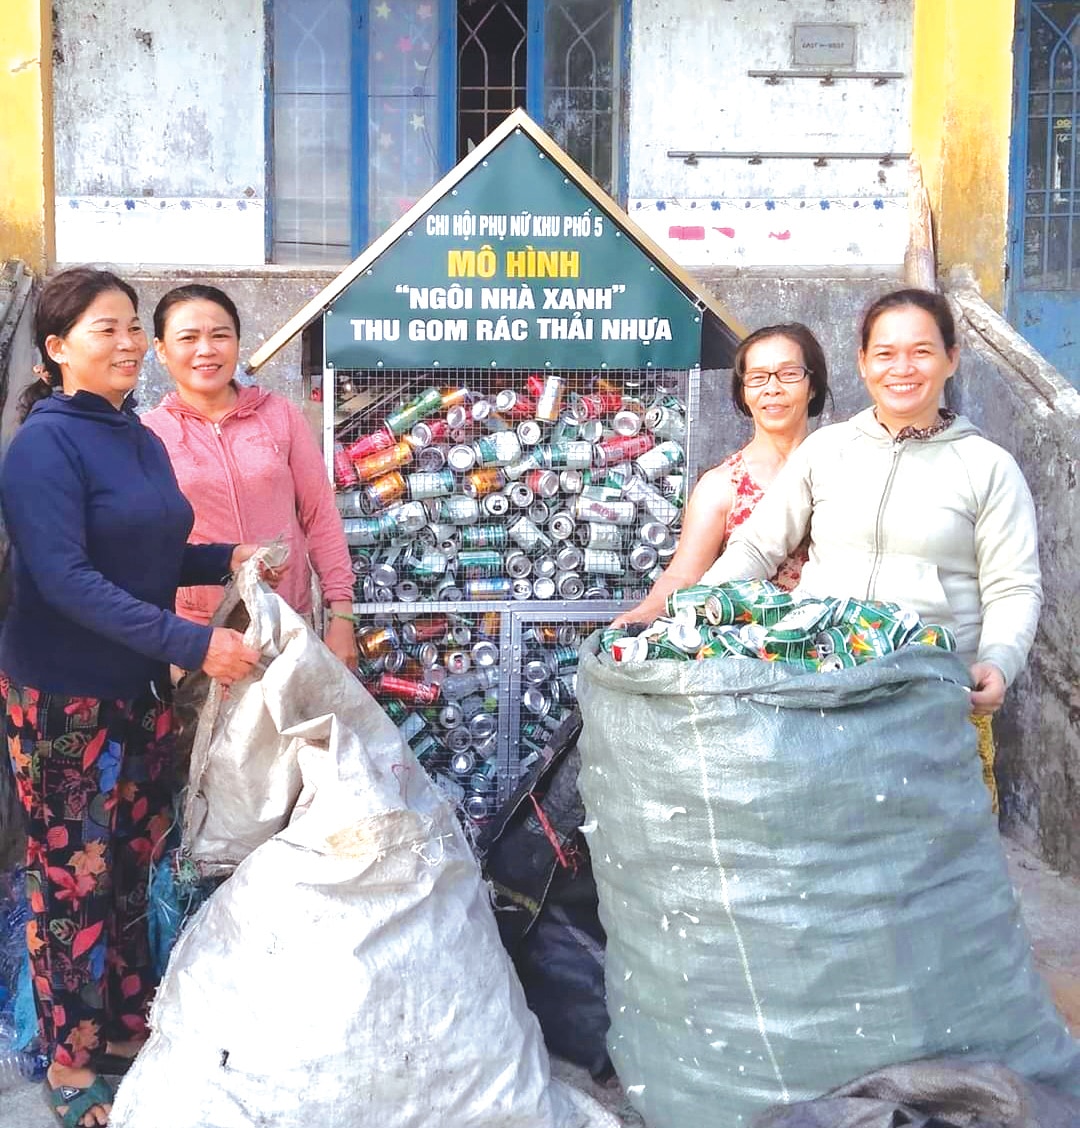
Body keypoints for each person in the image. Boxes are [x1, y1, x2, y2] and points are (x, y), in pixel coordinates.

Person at [0, 268, 267, 1127]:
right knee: (71, 877)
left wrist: (224, 557)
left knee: (125, 871)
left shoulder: (137, 436)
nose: (123, 345)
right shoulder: (45, 444)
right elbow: (68, 579)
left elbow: (148, 550)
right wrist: (197, 642)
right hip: (64, 702)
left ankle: (119, 1029)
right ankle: (71, 1065)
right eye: (102, 330)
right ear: (56, 348)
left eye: (127, 328)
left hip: (136, 688)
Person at [699, 288, 1042, 809]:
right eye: (884, 353)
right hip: (820, 689)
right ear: (862, 363)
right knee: (827, 853)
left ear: (951, 358)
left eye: (921, 351)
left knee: (932, 866)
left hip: (931, 695)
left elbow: (1013, 586)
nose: (901, 367)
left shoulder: (988, 467)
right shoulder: (827, 449)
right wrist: (697, 605)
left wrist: (999, 660)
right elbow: (756, 546)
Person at [142, 285, 357, 668]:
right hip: (200, 635)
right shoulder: (148, 434)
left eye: (220, 335)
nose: (206, 350)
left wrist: (342, 614)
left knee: (294, 729)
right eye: (188, 338)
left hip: (287, 623)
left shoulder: (279, 415)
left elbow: (319, 514)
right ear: (161, 349)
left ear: (238, 342)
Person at [615, 323, 829, 627]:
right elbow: (684, 574)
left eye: (789, 374)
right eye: (757, 378)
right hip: (747, 653)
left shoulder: (840, 466)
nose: (772, 388)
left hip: (833, 644)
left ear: (813, 386)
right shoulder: (722, 485)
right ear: (743, 394)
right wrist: (643, 615)